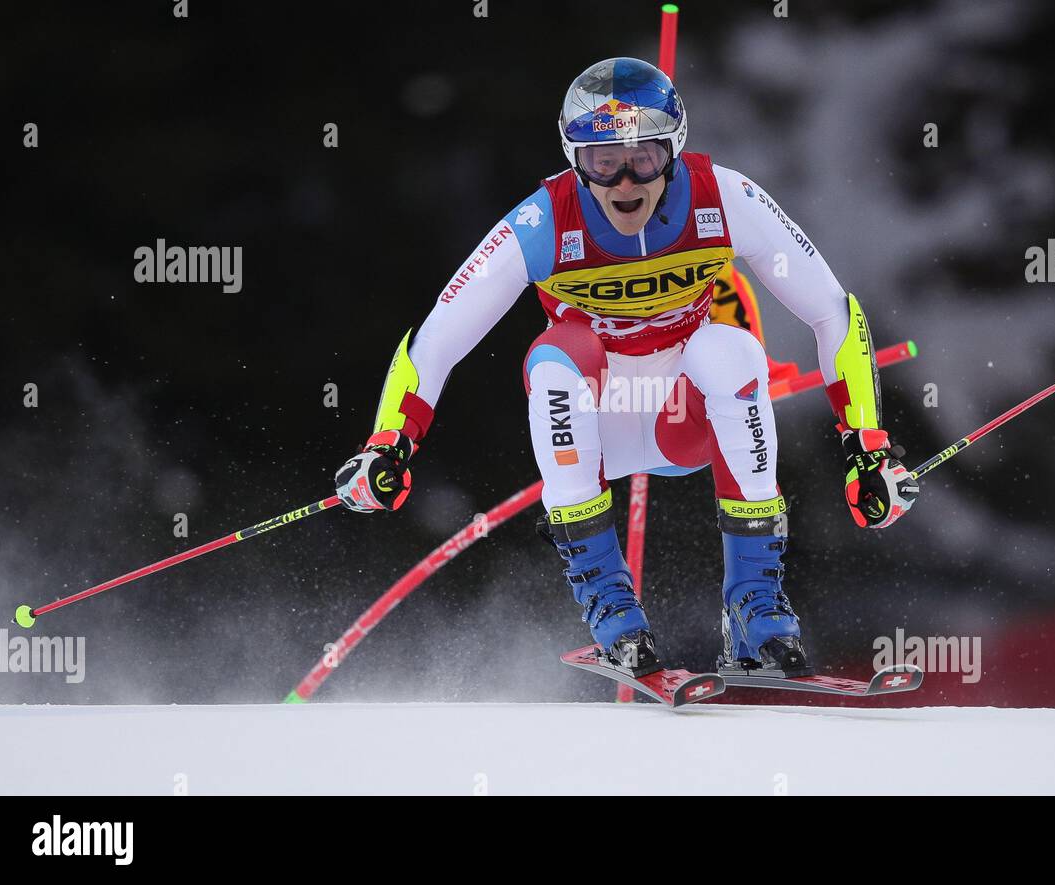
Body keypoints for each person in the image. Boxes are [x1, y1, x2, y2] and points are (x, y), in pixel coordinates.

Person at [333, 57, 918, 677]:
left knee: (732, 351)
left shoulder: (725, 197)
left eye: (643, 156)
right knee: (561, 356)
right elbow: (437, 341)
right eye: (602, 160)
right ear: (573, 158)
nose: (624, 182)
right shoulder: (542, 222)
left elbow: (833, 313)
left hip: (684, 420)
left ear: (674, 147)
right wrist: (388, 447)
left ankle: (756, 612)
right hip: (593, 425)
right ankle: (613, 612)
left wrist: (869, 449)